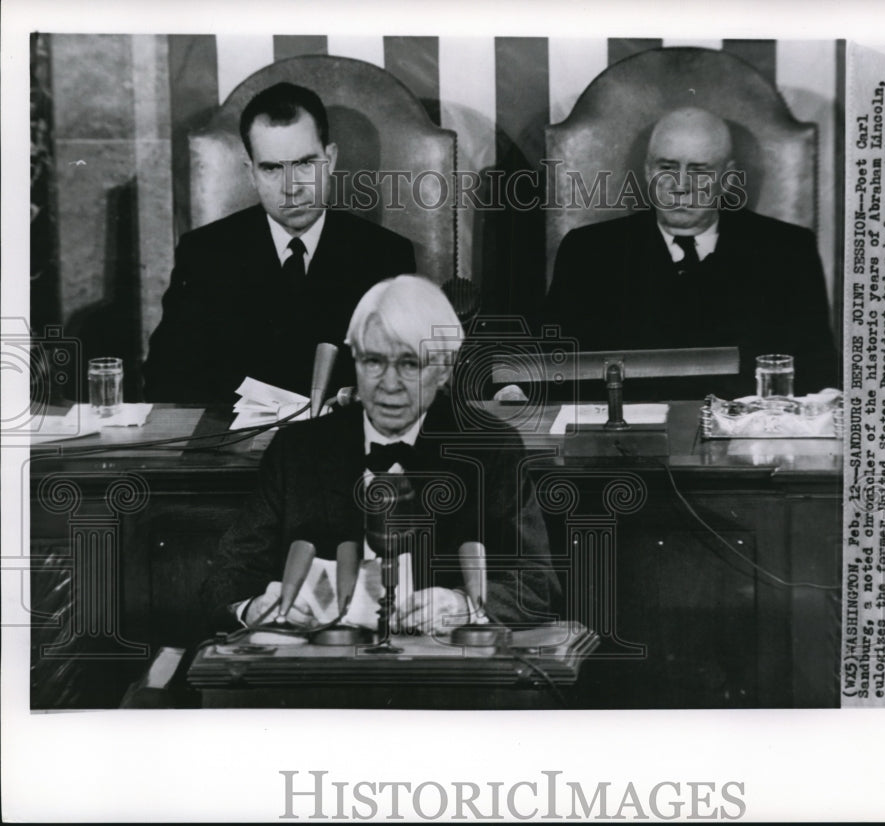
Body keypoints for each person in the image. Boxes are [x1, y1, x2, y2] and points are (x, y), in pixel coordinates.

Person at [201, 275, 559, 634]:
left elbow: (537, 586)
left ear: (444, 369)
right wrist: (253, 608)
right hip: (323, 668)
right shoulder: (298, 450)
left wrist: (462, 605)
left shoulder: (489, 449)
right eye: (373, 362)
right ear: (354, 361)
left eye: (409, 364)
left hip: (439, 669)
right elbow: (227, 580)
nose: (389, 384)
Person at [143, 82, 416, 403]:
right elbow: (165, 376)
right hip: (232, 444)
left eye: (304, 164)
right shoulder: (205, 254)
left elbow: (407, 377)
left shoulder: (385, 255)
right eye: (272, 168)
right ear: (251, 174)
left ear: (330, 160)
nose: (291, 188)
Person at [541, 106, 838, 400]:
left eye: (699, 171)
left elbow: (820, 374)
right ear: (647, 171)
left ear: (728, 178)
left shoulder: (788, 252)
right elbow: (551, 369)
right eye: (667, 168)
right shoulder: (588, 254)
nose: (681, 186)